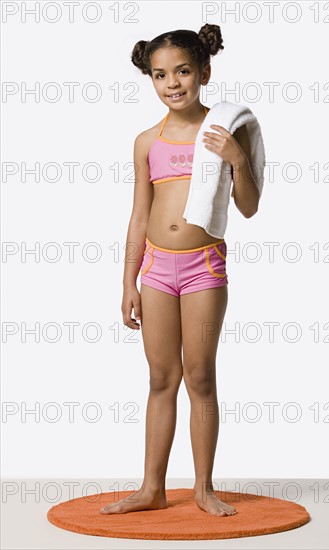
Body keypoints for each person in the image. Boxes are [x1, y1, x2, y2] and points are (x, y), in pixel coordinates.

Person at [100, 24, 260, 517]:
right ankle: (152, 488)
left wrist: (235, 160)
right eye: (160, 74)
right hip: (155, 269)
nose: (172, 83)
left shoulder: (225, 130)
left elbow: (250, 207)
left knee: (201, 377)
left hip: (203, 267)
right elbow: (139, 213)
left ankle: (204, 488)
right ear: (150, 79)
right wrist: (128, 279)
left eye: (183, 71)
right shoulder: (147, 141)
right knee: (160, 377)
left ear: (204, 71)